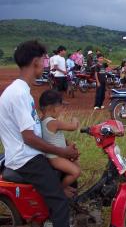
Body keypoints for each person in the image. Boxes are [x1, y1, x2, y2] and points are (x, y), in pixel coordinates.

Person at [0, 40, 78, 226]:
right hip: (25, 159)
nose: (46, 63)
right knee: (60, 204)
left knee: (66, 174)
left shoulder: (22, 91)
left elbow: (36, 129)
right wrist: (62, 152)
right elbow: (28, 137)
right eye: (44, 60)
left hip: (30, 155)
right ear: (35, 62)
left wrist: (63, 145)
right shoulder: (18, 94)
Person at [40, 90, 81, 195]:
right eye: (61, 107)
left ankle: (65, 186)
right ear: (53, 108)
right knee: (76, 171)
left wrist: (67, 143)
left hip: (56, 155)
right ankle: (60, 189)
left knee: (75, 162)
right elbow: (73, 127)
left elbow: (53, 137)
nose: (62, 110)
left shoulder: (42, 121)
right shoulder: (53, 122)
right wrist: (75, 119)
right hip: (55, 158)